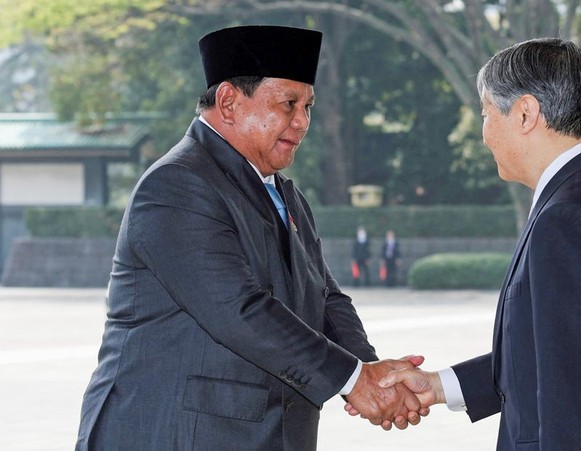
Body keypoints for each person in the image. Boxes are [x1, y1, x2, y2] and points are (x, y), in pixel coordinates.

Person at [75, 25, 424, 450]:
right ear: (228, 102)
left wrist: (374, 372)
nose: (302, 121)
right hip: (174, 434)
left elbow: (326, 298)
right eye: (288, 104)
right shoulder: (176, 184)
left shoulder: (282, 191)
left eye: (308, 107)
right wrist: (355, 380)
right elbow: (238, 309)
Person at [352, 38, 581, 449]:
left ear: (526, 113)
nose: (484, 134)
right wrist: (440, 385)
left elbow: (574, 406)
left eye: (487, 114)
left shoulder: (570, 217)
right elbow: (561, 356)